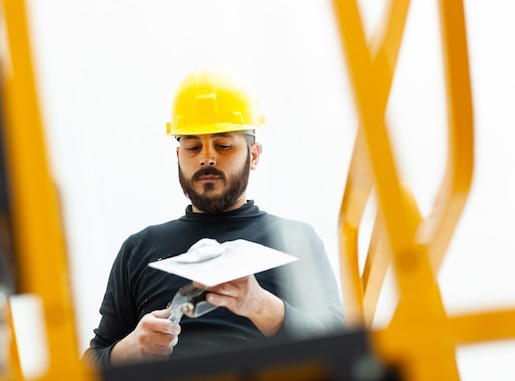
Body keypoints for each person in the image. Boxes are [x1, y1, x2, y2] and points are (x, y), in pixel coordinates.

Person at [83, 69, 345, 367]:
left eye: (223, 145)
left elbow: (338, 344)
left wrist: (261, 306)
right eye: (193, 147)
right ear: (178, 155)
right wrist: (128, 350)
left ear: (254, 155)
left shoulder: (294, 239)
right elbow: (89, 364)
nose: (207, 158)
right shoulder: (139, 249)